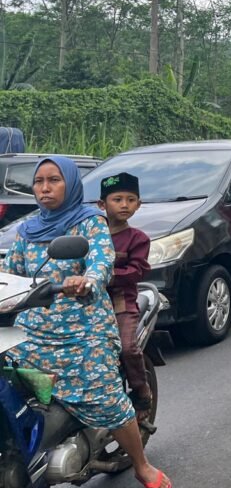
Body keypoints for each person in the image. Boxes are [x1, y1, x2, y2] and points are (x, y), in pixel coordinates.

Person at [4, 157, 171, 488]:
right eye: (39, 182)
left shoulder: (90, 223)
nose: (45, 188)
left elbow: (100, 261)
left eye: (53, 180)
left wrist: (88, 280)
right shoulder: (26, 229)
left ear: (70, 184)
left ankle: (142, 465)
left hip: (83, 328)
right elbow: (10, 273)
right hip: (32, 328)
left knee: (105, 398)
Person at [97, 171, 153, 420]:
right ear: (102, 204)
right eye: (117, 199)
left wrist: (104, 277)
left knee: (128, 348)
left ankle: (142, 391)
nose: (124, 205)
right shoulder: (91, 234)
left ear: (138, 205)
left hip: (122, 303)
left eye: (130, 200)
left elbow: (136, 270)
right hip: (90, 304)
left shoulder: (137, 238)